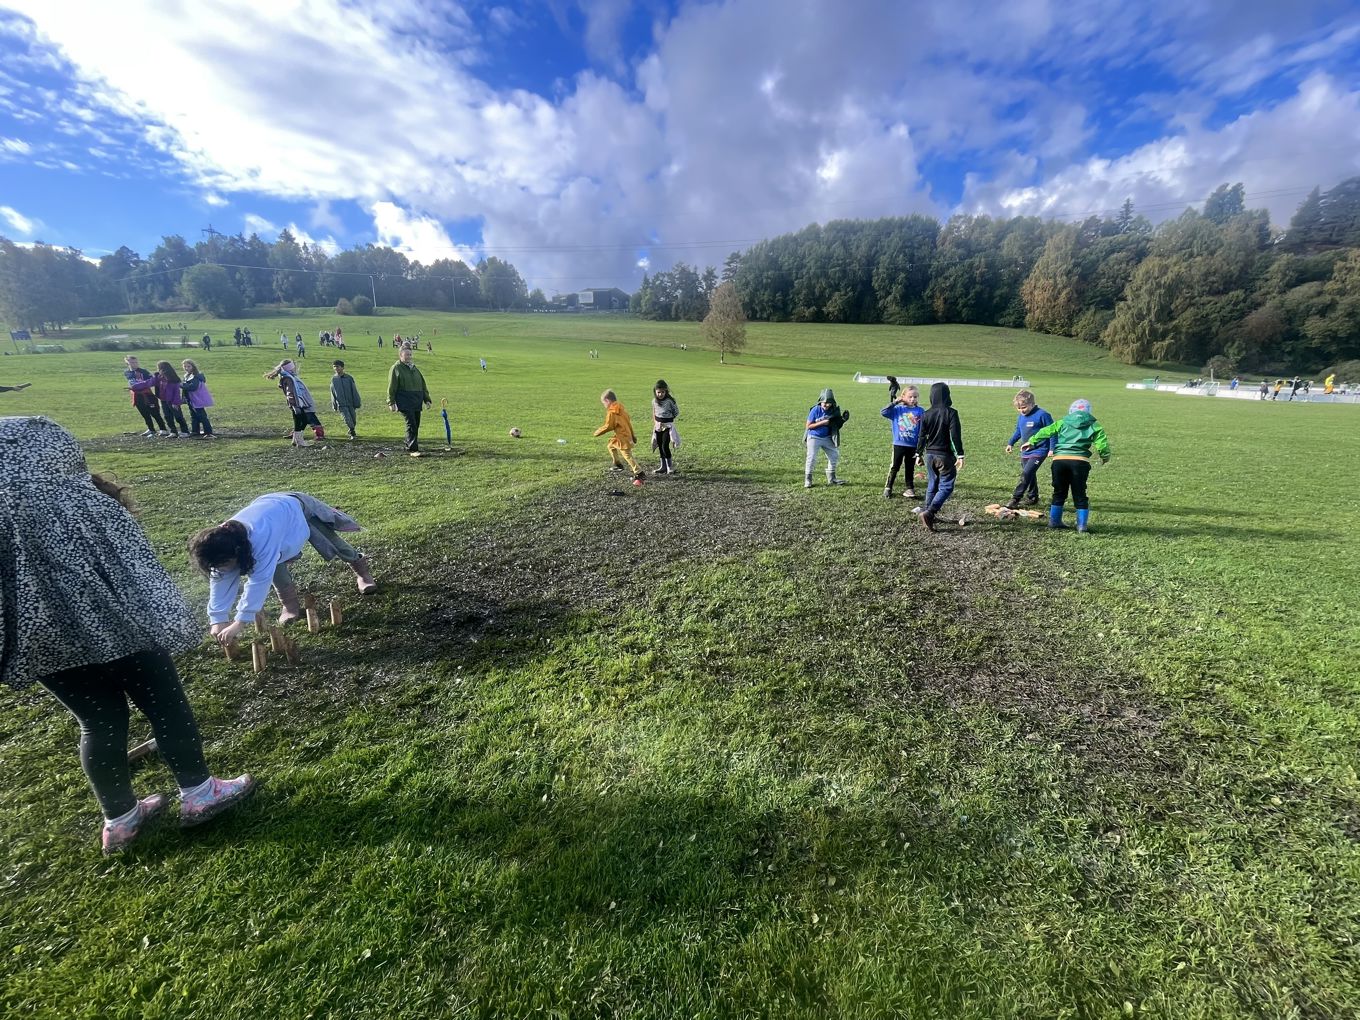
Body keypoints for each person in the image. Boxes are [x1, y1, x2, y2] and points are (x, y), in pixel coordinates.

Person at [0, 416, 255, 854]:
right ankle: (199, 793)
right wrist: (169, 622)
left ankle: (120, 820)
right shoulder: (85, 503)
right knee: (164, 704)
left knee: (96, 721)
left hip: (41, 641)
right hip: (122, 626)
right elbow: (139, 573)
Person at [188, 493, 378, 640]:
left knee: (334, 543)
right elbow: (220, 578)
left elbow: (257, 583)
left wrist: (239, 623)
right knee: (275, 567)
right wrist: (218, 619)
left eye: (226, 564)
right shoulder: (221, 545)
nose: (225, 570)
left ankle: (363, 574)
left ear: (237, 552)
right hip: (272, 512)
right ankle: (290, 607)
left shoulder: (260, 539)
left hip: (296, 507)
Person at [1021, 398, 1110, 534]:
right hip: (1080, 462)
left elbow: (1046, 431)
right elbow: (1102, 443)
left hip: (1059, 461)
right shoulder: (1094, 425)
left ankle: (1054, 521)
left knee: (1059, 491)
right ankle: (1081, 526)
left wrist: (1032, 441)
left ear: (1070, 411)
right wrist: (1105, 456)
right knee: (1080, 493)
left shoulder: (1062, 422)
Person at [915, 382, 964, 531]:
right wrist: (960, 454)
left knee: (932, 484)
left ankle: (926, 510)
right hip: (945, 456)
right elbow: (955, 435)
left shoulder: (926, 414)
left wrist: (918, 454)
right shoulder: (951, 413)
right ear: (948, 395)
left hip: (929, 454)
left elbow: (922, 436)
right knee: (946, 486)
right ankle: (930, 512)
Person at [1003, 389, 1054, 509]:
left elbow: (1053, 432)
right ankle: (1032, 497)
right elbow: (1018, 431)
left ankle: (1015, 498)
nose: (1021, 411)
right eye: (1019, 408)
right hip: (1025, 450)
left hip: (1040, 450)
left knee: (1026, 473)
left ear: (1032, 403)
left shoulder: (1043, 415)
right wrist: (1011, 443)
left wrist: (1052, 449)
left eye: (1024, 407)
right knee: (1029, 474)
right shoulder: (1021, 417)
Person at [264, 360, 325, 447]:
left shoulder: (290, 376)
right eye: (293, 367)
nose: (295, 368)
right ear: (290, 368)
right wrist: (295, 405)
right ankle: (299, 441)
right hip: (297, 404)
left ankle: (295, 440)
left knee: (302, 421)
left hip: (300, 403)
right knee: (301, 421)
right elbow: (290, 393)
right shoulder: (288, 378)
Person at [387, 344, 431, 457]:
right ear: (400, 355)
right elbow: (391, 386)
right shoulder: (396, 368)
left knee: (416, 424)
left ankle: (408, 443)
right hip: (405, 400)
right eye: (406, 354)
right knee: (411, 423)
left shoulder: (414, 368)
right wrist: (391, 402)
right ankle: (413, 448)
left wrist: (427, 399)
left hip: (416, 400)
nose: (409, 356)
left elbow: (422, 384)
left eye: (410, 354)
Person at [880, 382, 923, 499]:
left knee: (910, 467)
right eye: (910, 396)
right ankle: (888, 487)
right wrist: (895, 402)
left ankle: (910, 488)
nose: (913, 399)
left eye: (915, 397)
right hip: (899, 444)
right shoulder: (897, 409)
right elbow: (883, 412)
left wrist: (921, 447)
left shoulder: (920, 411)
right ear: (903, 396)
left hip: (913, 445)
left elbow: (923, 429)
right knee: (895, 466)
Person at [593, 389, 644, 479]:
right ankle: (617, 464)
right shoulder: (622, 410)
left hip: (623, 437)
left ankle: (639, 472)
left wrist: (598, 432)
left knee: (627, 455)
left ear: (607, 401)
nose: (604, 406)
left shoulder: (612, 412)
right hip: (624, 436)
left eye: (603, 403)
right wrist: (633, 435)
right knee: (610, 445)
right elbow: (629, 423)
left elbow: (609, 426)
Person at [804, 388, 847, 488]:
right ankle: (808, 479)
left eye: (829, 403)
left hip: (827, 437)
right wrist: (823, 423)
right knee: (812, 458)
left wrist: (843, 420)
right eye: (824, 402)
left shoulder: (834, 411)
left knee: (834, 455)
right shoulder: (815, 410)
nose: (826, 404)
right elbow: (809, 426)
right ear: (820, 401)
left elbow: (836, 425)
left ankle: (831, 479)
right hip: (814, 436)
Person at [123, 356, 168, 437]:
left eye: (136, 362)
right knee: (144, 413)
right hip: (136, 395)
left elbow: (152, 381)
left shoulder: (143, 372)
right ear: (127, 363)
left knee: (155, 413)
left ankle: (163, 429)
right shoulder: (126, 372)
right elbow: (130, 382)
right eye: (132, 362)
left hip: (147, 395)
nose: (135, 364)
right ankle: (151, 429)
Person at [180, 359, 216, 439]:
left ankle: (208, 432)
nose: (186, 368)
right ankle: (195, 431)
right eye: (184, 366)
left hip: (197, 399)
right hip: (191, 399)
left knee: (202, 416)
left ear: (193, 366)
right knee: (193, 415)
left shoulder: (196, 376)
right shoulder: (187, 375)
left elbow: (193, 387)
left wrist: (181, 385)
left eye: (188, 366)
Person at [154, 361, 191, 439]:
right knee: (167, 416)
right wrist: (134, 387)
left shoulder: (173, 379)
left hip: (173, 401)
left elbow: (176, 392)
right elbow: (148, 383)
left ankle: (185, 431)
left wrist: (176, 402)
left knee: (178, 416)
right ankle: (173, 431)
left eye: (159, 368)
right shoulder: (159, 377)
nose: (159, 370)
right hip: (163, 400)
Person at [651, 379, 680, 475]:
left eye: (663, 392)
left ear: (666, 391)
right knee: (659, 445)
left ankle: (669, 467)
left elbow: (676, 412)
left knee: (665, 446)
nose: (660, 394)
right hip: (658, 426)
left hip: (667, 426)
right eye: (658, 392)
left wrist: (668, 419)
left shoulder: (669, 401)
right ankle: (662, 466)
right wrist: (655, 423)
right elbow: (654, 412)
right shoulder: (654, 401)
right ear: (655, 392)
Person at [330, 360, 362, 439]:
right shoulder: (334, 379)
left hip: (350, 402)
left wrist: (357, 402)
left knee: (353, 419)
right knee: (347, 418)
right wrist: (334, 405)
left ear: (342, 367)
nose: (336, 368)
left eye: (337, 366)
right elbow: (332, 393)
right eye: (334, 366)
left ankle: (351, 429)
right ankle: (352, 433)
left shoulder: (349, 378)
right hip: (341, 404)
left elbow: (354, 390)